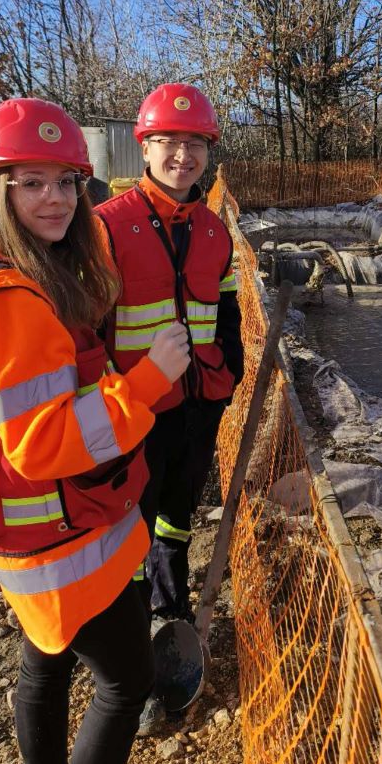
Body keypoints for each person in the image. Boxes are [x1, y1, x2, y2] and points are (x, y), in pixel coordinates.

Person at [0, 97, 190, 764]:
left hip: (45, 528)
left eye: (65, 181)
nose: (54, 199)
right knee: (123, 684)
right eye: (31, 182)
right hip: (61, 541)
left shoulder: (32, 271)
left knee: (44, 662)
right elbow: (42, 442)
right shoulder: (10, 300)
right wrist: (146, 380)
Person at [95, 84, 244, 728]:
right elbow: (87, 328)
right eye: (169, 142)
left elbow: (229, 307)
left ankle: (171, 603)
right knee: (133, 519)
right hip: (134, 407)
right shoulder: (106, 226)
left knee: (178, 511)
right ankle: (128, 638)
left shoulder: (214, 230)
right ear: (145, 144)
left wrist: (228, 375)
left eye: (195, 144)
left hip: (198, 403)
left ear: (208, 152)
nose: (182, 155)